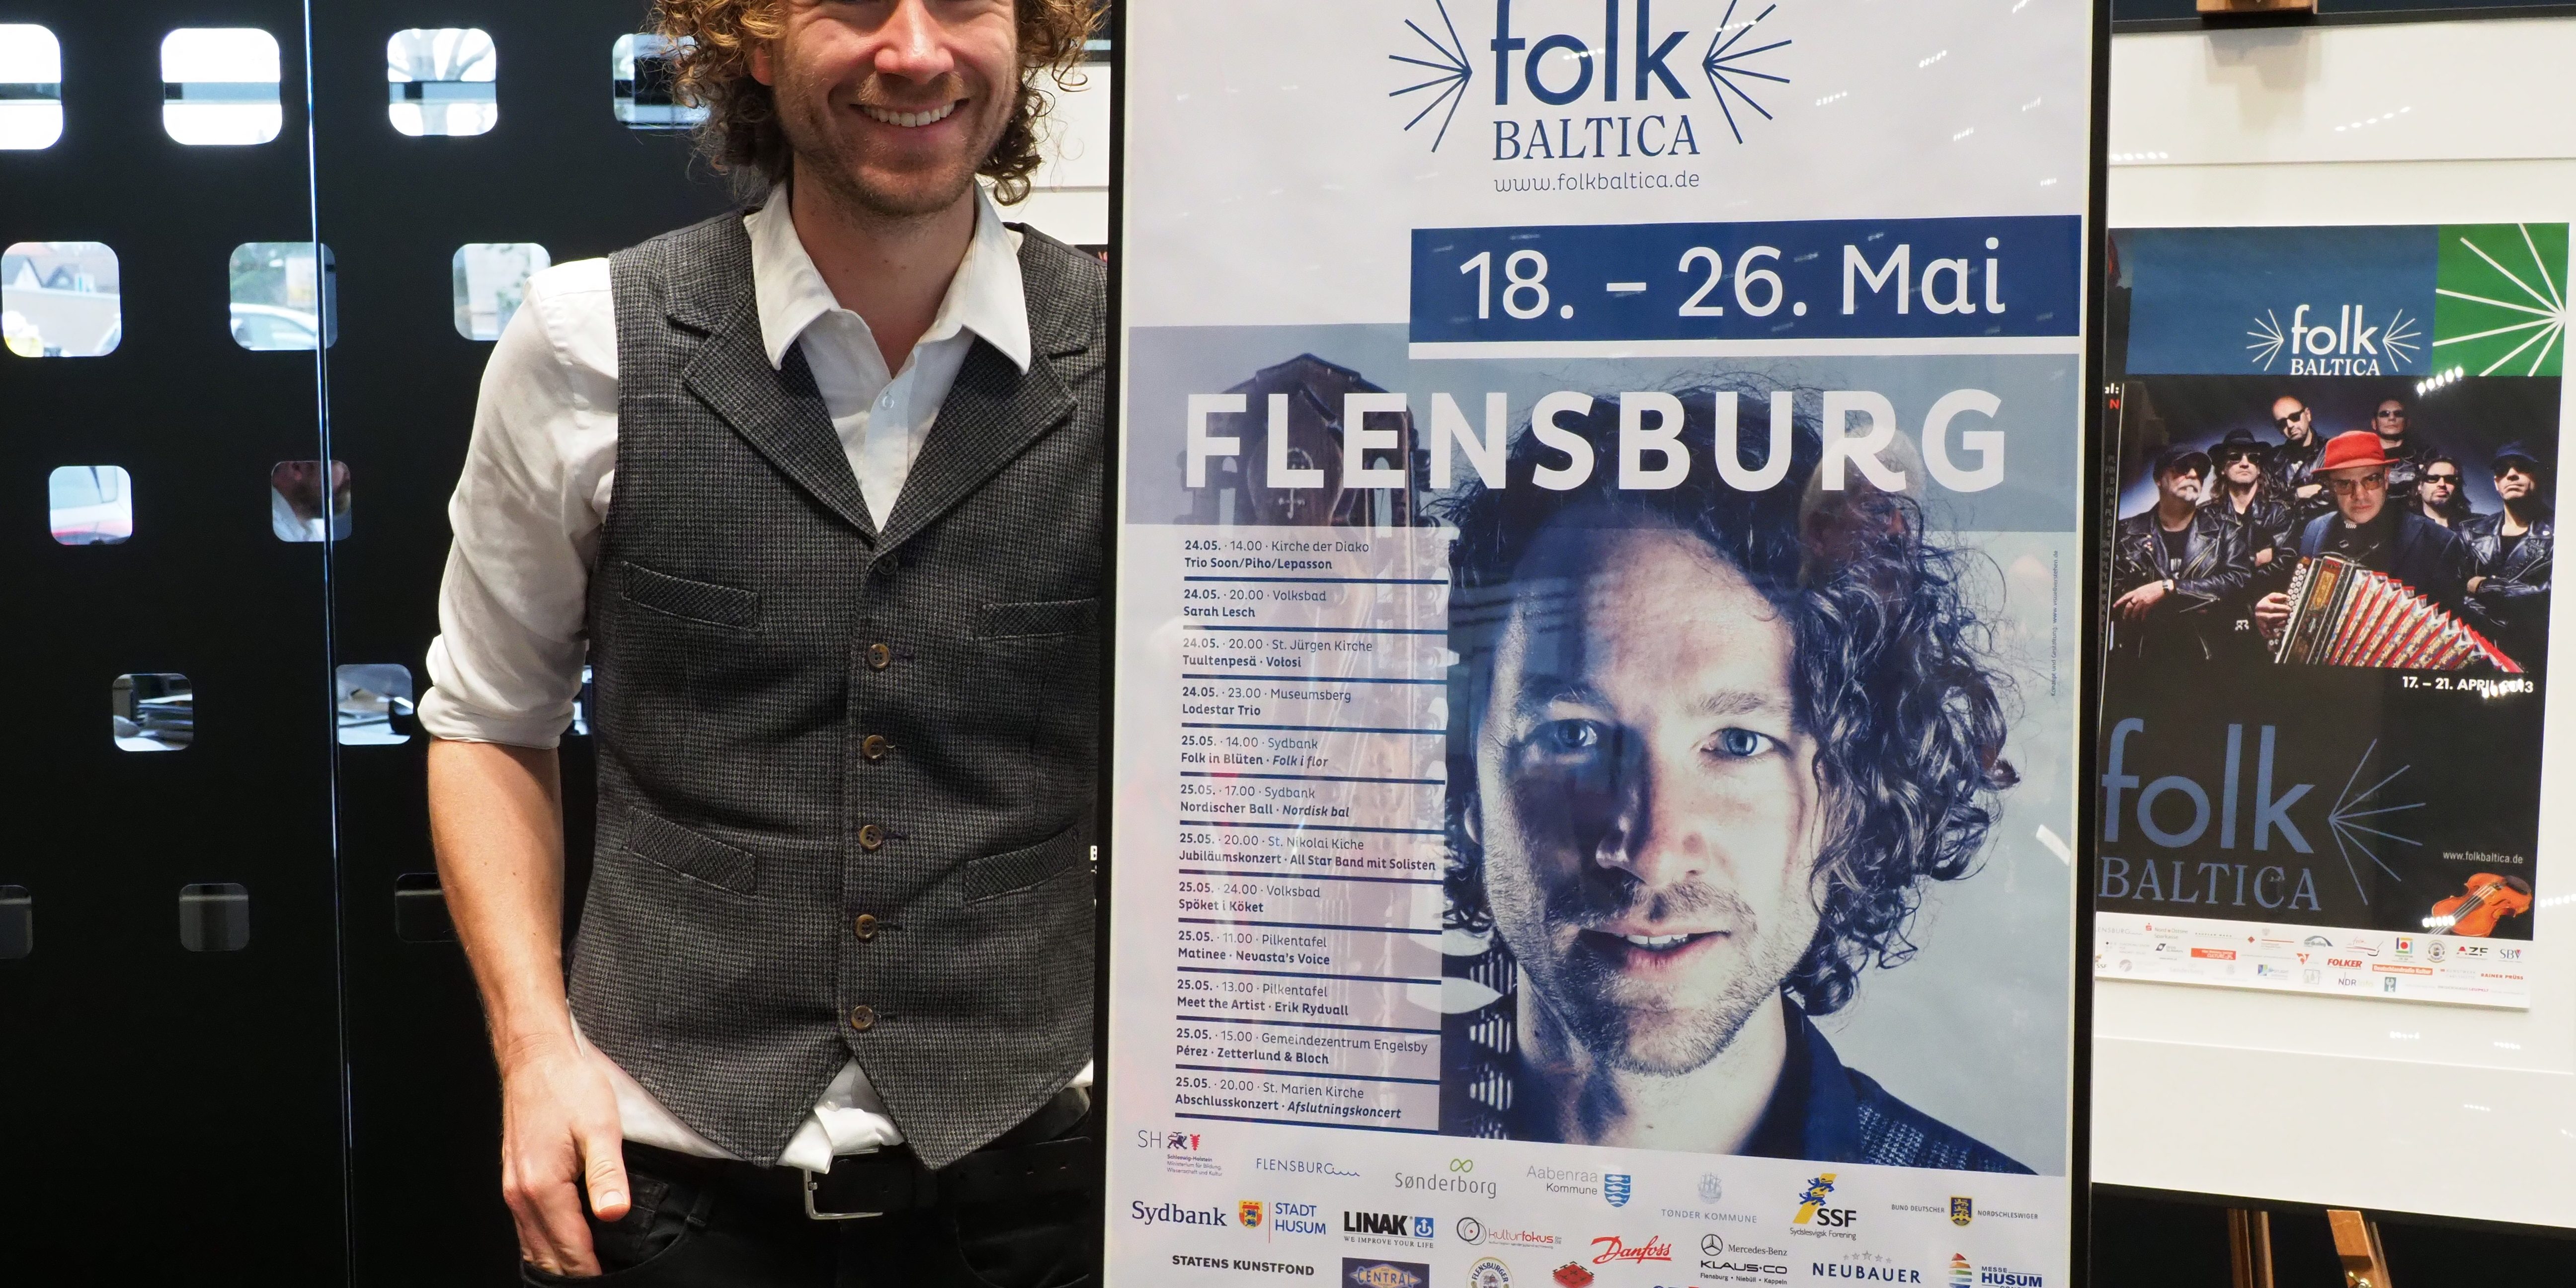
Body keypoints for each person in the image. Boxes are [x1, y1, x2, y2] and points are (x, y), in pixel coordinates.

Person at [419, 2, 1106, 1285]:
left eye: (965, 1)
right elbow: (489, 724)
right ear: (753, 33)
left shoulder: (1134, 358)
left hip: (1041, 1196)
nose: (916, 50)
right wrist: (532, 1051)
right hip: (665, 1198)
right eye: (855, 4)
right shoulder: (584, 341)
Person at [1433, 388, 2027, 1172]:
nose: (1651, 852)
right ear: (1463, 778)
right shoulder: (1311, 1156)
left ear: (1853, 794)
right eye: (1572, 736)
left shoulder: (1980, 1215)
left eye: (1739, 743)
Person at [2256, 431, 2483, 642]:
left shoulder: (2438, 542)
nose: (2360, 495)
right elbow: (2304, 612)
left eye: (2371, 480)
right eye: (2344, 484)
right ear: (2331, 487)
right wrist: (2274, 617)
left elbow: (2450, 635)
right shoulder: (2314, 531)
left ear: (2386, 478)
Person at [2110, 446, 2253, 662]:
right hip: (2141, 661)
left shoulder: (2227, 531)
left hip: (2209, 660)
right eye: (2183, 468)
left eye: (2200, 471)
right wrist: (2199, 599)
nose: (2194, 474)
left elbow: (2239, 584)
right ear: (2159, 479)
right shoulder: (2124, 533)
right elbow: (2115, 601)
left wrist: (2169, 588)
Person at [2463, 441, 2554, 671]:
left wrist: (2483, 587)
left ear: (2539, 475)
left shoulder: (2564, 531)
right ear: (2497, 483)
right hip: (2479, 655)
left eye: (2521, 466)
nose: (2512, 474)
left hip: (2537, 658)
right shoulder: (2471, 532)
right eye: (2502, 470)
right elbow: (2454, 590)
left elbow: (2552, 596)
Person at [2367, 396, 2434, 516]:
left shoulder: (2425, 456)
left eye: (2398, 414)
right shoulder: (2363, 458)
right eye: (2385, 414)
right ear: (2374, 423)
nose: (2392, 418)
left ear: (2407, 423)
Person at [2269, 395, 2328, 527]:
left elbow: (2333, 497)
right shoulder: (2272, 460)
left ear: (2308, 415)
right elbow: (2267, 508)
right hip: (2284, 536)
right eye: (2282, 423)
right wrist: (2298, 494)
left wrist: (2286, 503)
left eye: (2295, 417)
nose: (2290, 425)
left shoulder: (2331, 450)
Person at [2418, 455, 2474, 529]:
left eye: (2450, 479)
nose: (2442, 484)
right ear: (2420, 486)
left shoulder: (2479, 525)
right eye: (2433, 478)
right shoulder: (2406, 527)